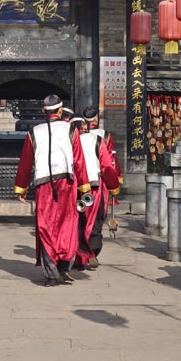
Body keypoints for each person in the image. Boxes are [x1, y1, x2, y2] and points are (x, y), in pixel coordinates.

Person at [14, 94, 91, 285]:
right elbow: (79, 160)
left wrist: (21, 188)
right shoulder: (71, 130)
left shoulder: (34, 132)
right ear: (60, 110)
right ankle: (64, 264)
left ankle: (51, 274)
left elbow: (25, 162)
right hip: (67, 183)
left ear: (43, 111)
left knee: (46, 227)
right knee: (67, 224)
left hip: (44, 185)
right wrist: (84, 187)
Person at [73, 106, 122, 270]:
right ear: (95, 119)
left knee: (79, 220)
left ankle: (79, 256)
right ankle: (91, 251)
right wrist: (114, 184)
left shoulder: (72, 138)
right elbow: (110, 163)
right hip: (95, 183)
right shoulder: (102, 137)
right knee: (95, 219)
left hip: (76, 185)